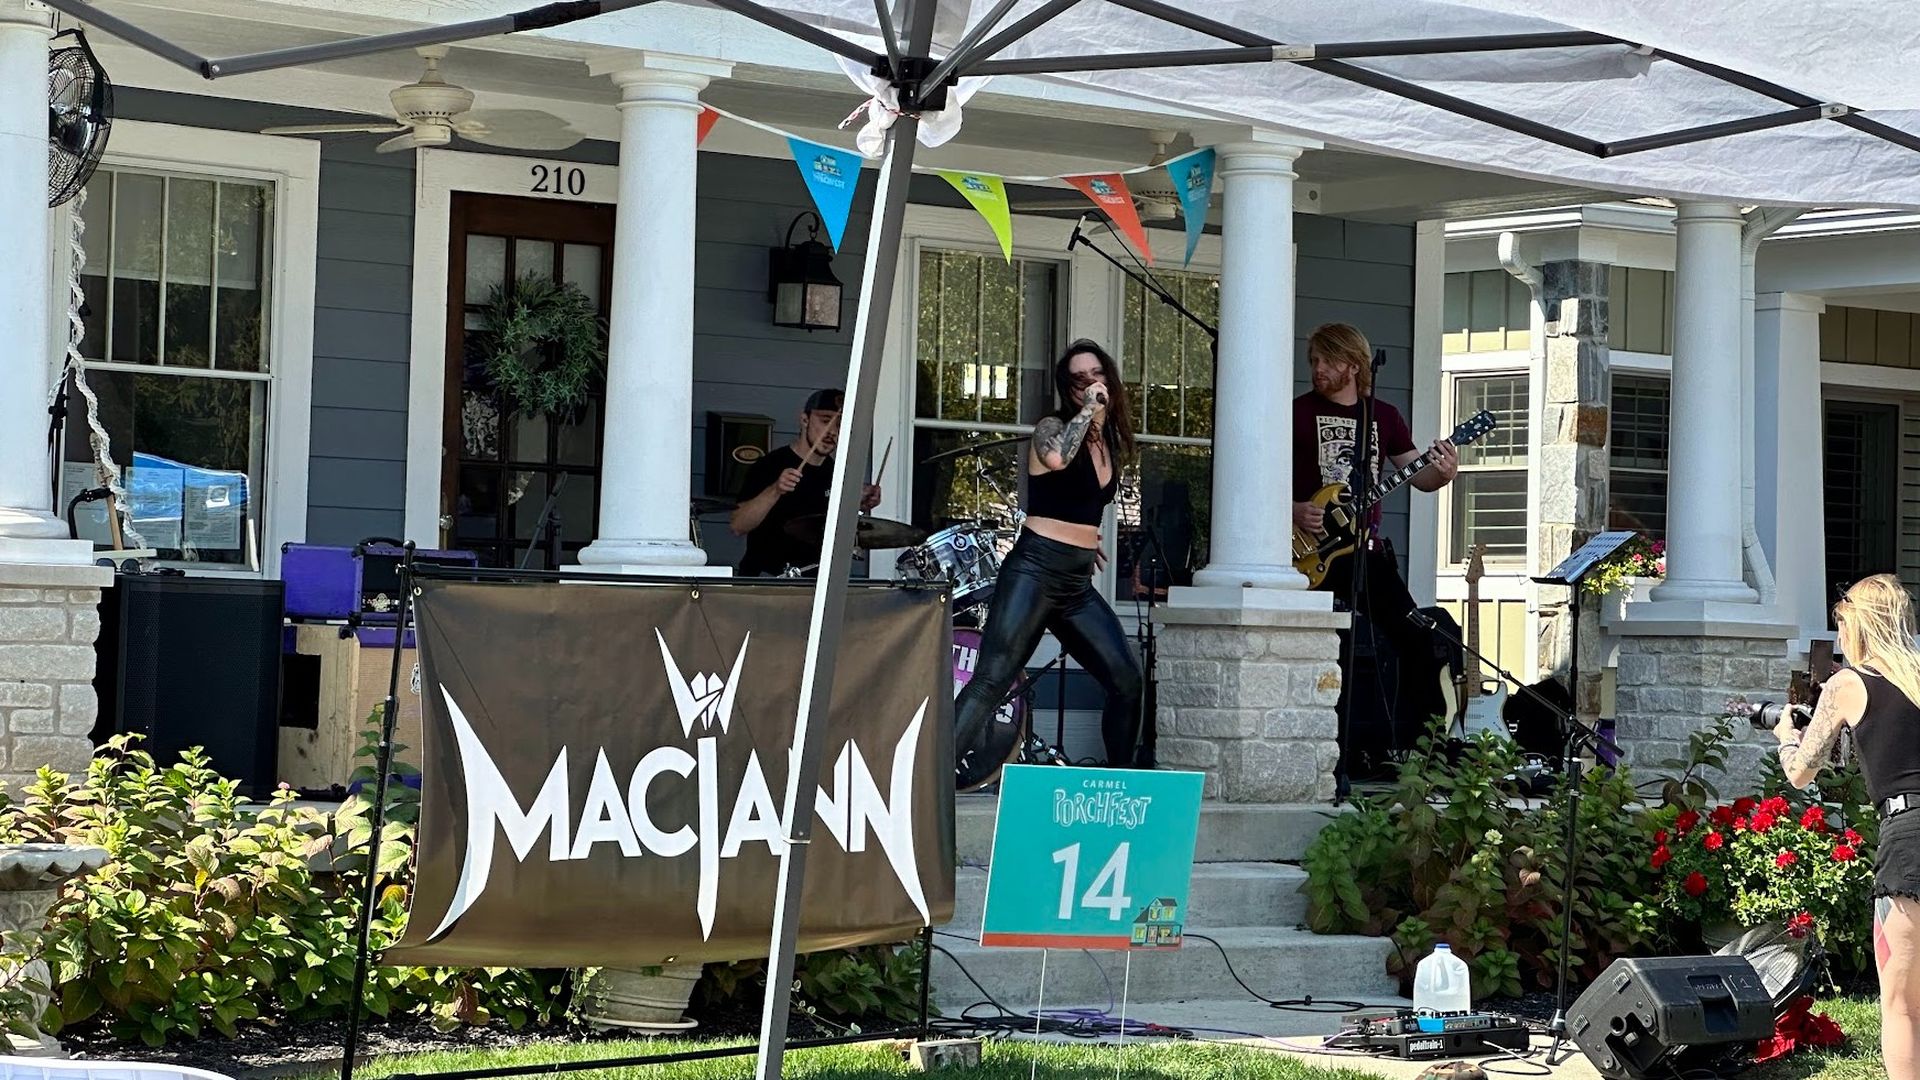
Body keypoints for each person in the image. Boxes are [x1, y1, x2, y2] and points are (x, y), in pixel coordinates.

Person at [953, 340, 1145, 770]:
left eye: (1097, 374)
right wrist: (1085, 413)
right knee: (991, 681)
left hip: (1075, 583)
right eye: (1079, 379)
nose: (1090, 384)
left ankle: (1120, 785)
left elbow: (1081, 503)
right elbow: (1057, 460)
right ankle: (924, 789)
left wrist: (1084, 540)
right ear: (1068, 388)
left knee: (1126, 681)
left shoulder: (1108, 441)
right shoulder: (1051, 427)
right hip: (1035, 570)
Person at [1775, 574, 1920, 1080]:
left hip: (1910, 836)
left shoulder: (1848, 683)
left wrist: (1785, 736)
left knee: (1902, 1004)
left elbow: (1801, 771)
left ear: (1859, 623)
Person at [1291, 322, 1459, 745]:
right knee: (1307, 646)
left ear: (1352, 364)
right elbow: (1256, 480)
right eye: (1314, 360)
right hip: (1307, 552)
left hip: (1365, 553)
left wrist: (1444, 474)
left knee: (1419, 638)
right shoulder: (1295, 412)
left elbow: (1418, 476)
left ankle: (1424, 748)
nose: (1317, 368)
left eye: (1326, 360)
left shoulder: (1383, 416)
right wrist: (1291, 510)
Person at [729, 388, 879, 577]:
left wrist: (858, 505)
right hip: (767, 581)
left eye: (840, 424)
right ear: (804, 420)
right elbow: (738, 525)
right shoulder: (771, 464)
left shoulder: (838, 474)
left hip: (814, 585)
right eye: (825, 421)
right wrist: (776, 489)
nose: (832, 431)